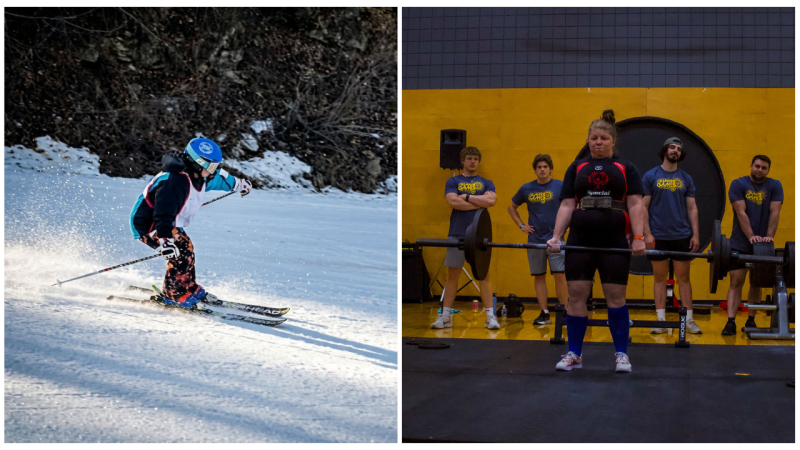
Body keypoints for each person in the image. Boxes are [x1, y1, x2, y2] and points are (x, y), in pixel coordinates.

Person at [546, 109, 645, 373]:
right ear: (588, 140)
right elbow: (567, 205)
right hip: (580, 239)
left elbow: (635, 204)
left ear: (612, 140)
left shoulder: (626, 168)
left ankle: (621, 354)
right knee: (576, 295)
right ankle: (574, 354)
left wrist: (638, 237)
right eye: (593, 138)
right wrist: (556, 237)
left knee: (616, 296)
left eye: (603, 138)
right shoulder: (576, 167)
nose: (598, 142)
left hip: (614, 240)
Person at [129, 137, 252, 308]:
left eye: (216, 166)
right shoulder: (174, 182)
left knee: (187, 249)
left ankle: (187, 287)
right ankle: (173, 293)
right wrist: (165, 242)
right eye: (211, 166)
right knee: (178, 252)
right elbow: (162, 214)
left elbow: (219, 179)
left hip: (168, 222)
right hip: (150, 224)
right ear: (197, 163)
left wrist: (239, 185)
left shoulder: (201, 175)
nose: (213, 170)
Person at [431, 146, 499, 330]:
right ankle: (445, 317)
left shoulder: (487, 182)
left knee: (483, 276)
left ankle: (490, 317)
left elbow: (491, 201)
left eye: (476, 158)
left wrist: (467, 197)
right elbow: (453, 202)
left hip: (480, 235)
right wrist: (479, 202)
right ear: (463, 161)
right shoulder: (453, 181)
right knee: (452, 276)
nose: (472, 161)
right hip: (457, 233)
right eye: (469, 158)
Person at [641, 137, 702, 334]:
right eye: (672, 147)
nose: (675, 150)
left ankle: (689, 320)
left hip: (681, 235)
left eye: (678, 149)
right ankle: (660, 320)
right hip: (657, 235)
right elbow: (643, 207)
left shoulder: (686, 178)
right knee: (659, 278)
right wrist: (647, 234)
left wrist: (696, 234)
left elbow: (692, 208)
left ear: (680, 154)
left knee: (684, 278)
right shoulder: (651, 176)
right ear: (665, 150)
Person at [722, 155, 783, 335]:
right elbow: (740, 212)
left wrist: (769, 237)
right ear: (751, 166)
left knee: (756, 282)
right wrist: (751, 237)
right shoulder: (738, 184)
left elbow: (775, 212)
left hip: (764, 243)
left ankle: (751, 320)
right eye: (757, 166)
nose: (759, 170)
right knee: (736, 281)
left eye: (764, 168)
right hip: (740, 241)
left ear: (768, 170)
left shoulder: (775, 186)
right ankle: (731, 322)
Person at [508, 154, 568, 325]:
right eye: (539, 167)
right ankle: (544, 313)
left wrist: (566, 225)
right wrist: (521, 226)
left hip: (556, 240)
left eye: (545, 167)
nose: (542, 169)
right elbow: (511, 207)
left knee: (560, 276)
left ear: (550, 169)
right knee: (539, 277)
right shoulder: (526, 189)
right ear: (535, 170)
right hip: (535, 240)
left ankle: (565, 312)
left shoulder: (560, 186)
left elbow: (572, 205)